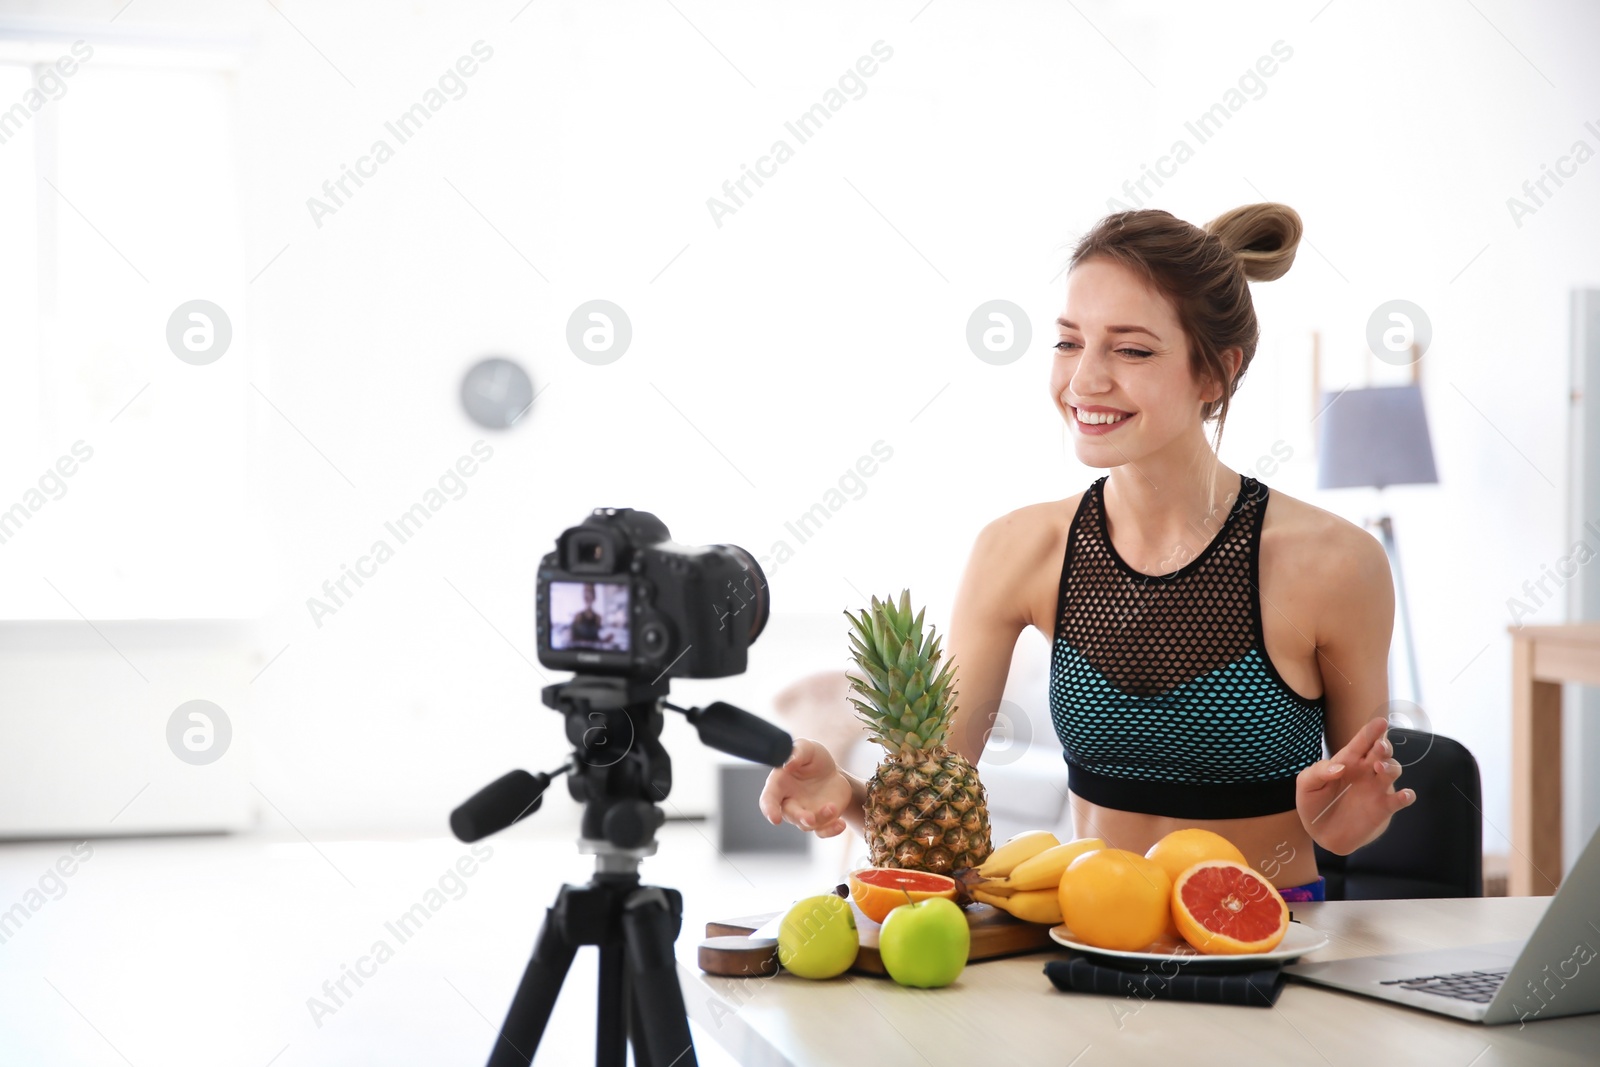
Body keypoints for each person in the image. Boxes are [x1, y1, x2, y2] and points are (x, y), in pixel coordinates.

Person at [759, 203, 1416, 901]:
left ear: (1216, 373)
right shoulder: (1020, 549)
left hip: (1262, 947)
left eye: (1131, 349)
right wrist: (845, 791)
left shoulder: (1335, 563)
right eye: (1069, 342)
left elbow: (1346, 822)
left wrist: (1344, 820)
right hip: (1086, 940)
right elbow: (931, 795)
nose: (1084, 381)